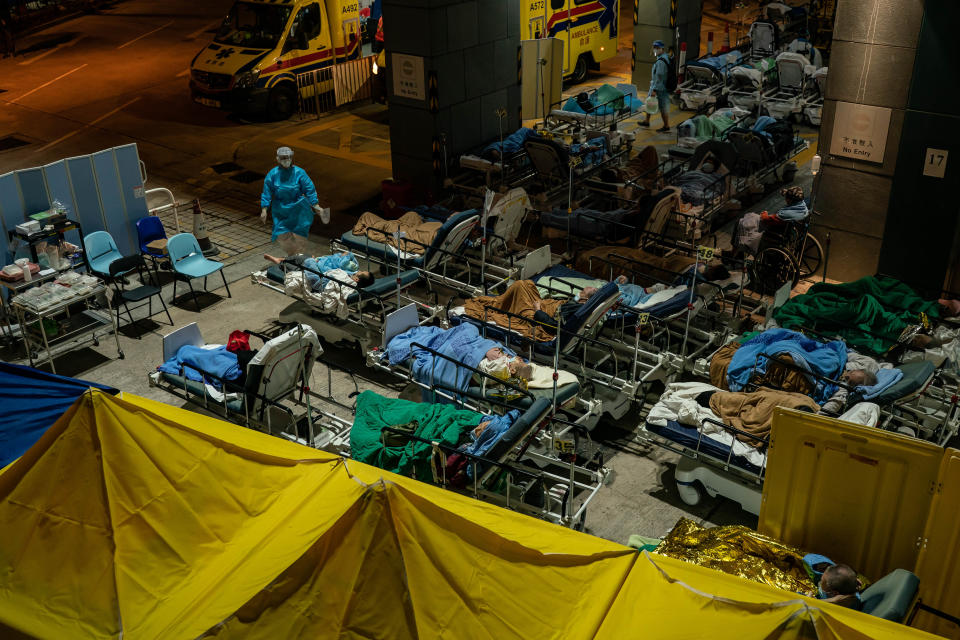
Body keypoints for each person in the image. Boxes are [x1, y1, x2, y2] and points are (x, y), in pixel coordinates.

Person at [260, 147, 329, 256]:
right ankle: (292, 255)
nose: (286, 160)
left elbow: (309, 188)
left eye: (288, 157)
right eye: (283, 158)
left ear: (291, 158)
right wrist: (264, 209)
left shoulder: (299, 172)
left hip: (299, 208)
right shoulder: (273, 174)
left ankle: (299, 257)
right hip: (281, 210)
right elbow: (267, 191)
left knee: (299, 235)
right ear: (278, 159)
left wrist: (316, 205)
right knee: (282, 235)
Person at [264, 252, 373, 293]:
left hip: (316, 271)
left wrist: (314, 263)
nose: (359, 270)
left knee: (302, 257)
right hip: (319, 266)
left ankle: (281, 261)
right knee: (302, 258)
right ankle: (282, 260)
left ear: (357, 279)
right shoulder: (350, 276)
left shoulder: (344, 279)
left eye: (360, 272)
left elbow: (326, 275)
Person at [639, 40, 672, 133]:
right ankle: (646, 121)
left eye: (658, 48)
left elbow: (659, 77)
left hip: (660, 87)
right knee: (650, 103)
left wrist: (654, 90)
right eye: (654, 47)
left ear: (662, 49)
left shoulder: (661, 61)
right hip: (657, 85)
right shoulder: (664, 57)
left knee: (662, 107)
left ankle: (666, 125)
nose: (655, 50)